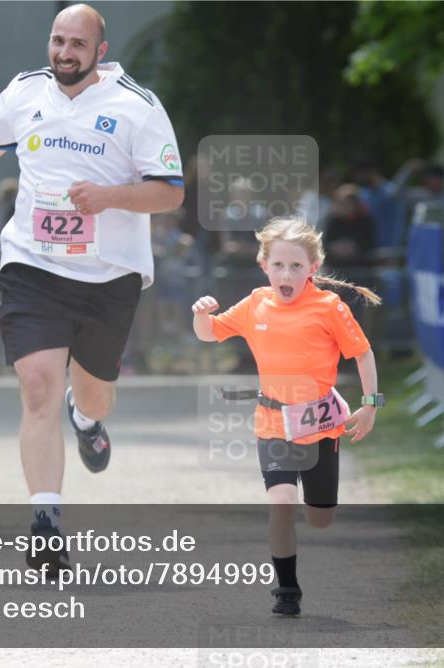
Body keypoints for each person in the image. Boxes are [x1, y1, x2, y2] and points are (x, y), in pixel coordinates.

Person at [0, 3, 184, 572]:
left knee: (96, 393)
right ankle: (46, 524)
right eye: (58, 40)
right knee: (36, 388)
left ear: (100, 51)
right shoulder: (24, 91)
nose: (64, 52)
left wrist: (110, 198)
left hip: (109, 274)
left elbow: (170, 191)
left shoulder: (137, 106)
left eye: (77, 44)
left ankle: (87, 416)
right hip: (32, 265)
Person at [191, 216, 383, 616]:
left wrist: (370, 404)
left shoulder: (329, 307)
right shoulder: (255, 302)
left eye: (296, 266)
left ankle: (315, 513)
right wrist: (201, 314)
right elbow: (210, 333)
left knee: (320, 518)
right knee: (281, 505)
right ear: (264, 265)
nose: (286, 273)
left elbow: (362, 353)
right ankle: (287, 588)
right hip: (273, 422)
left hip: (321, 425)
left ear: (314, 268)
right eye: (278, 265)